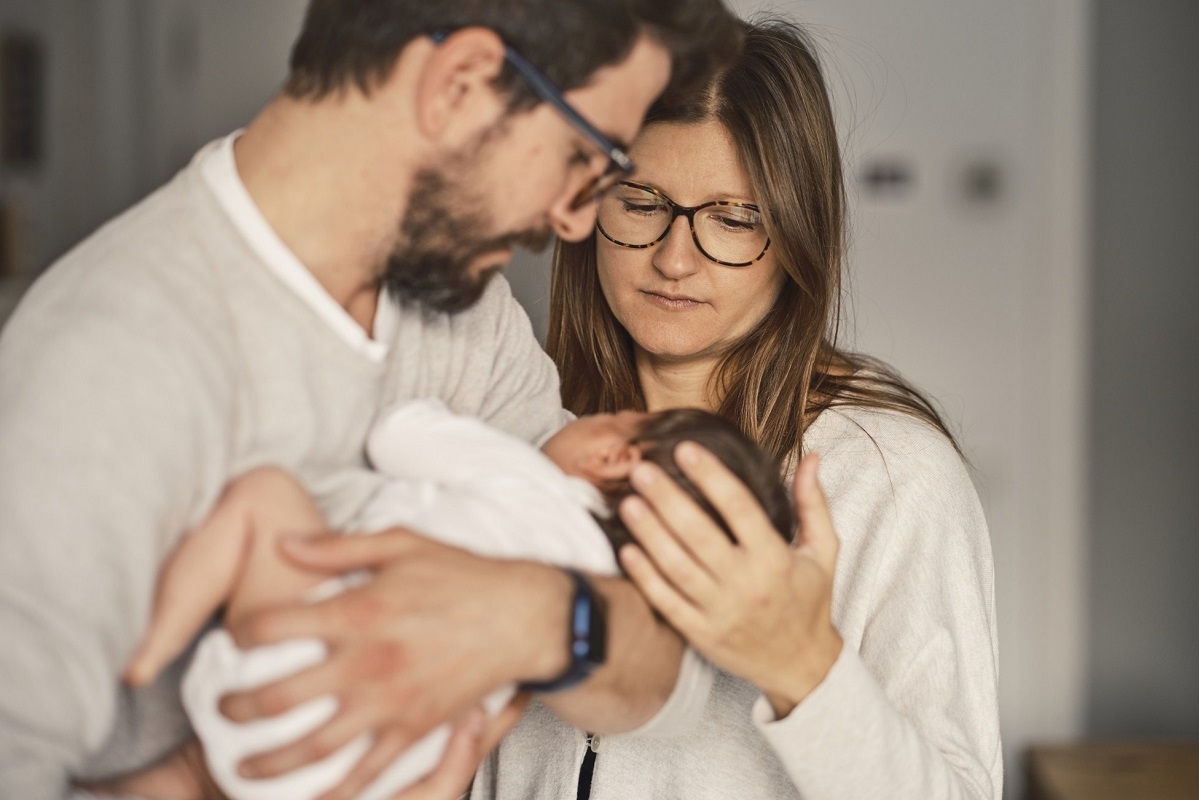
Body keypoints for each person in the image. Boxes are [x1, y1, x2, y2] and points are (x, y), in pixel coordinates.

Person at [0, 2, 747, 798]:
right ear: (459, 82)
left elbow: (672, 677)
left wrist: (538, 616)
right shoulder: (106, 362)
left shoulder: (470, 317)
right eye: (584, 156)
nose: (573, 221)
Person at [476, 18, 1003, 799]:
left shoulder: (891, 478)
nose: (675, 257)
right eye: (643, 200)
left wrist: (803, 667)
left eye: (733, 219)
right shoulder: (516, 432)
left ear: (797, 238)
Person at [123, 400, 792, 800]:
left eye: (612, 417)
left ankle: (150, 650)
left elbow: (400, 430)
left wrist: (470, 433)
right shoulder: (604, 590)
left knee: (264, 494)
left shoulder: (527, 480)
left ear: (614, 456)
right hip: (375, 773)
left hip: (295, 657)